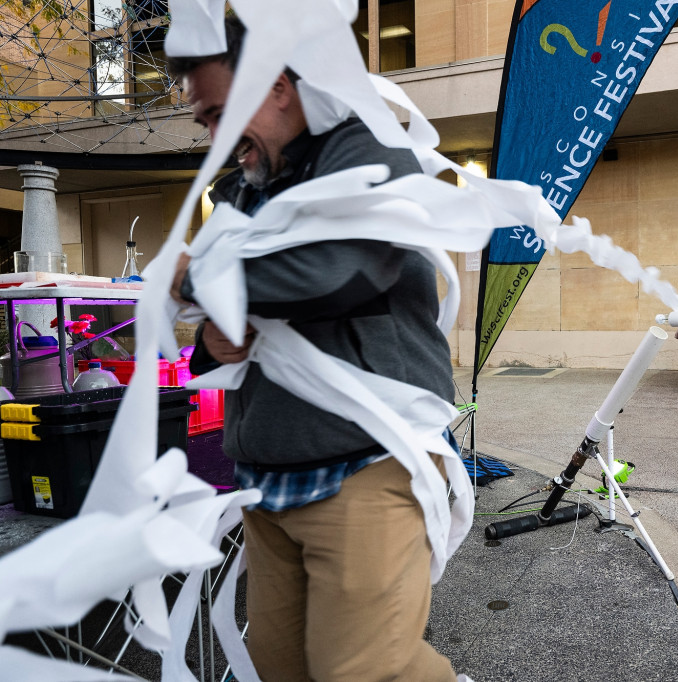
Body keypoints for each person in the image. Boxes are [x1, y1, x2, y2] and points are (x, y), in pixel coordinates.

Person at [167, 17, 459, 681]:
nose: (214, 139)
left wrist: (188, 278)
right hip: (267, 480)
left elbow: (331, 272)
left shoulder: (373, 155)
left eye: (219, 113)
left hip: (365, 469)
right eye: (204, 122)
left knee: (362, 673)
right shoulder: (244, 189)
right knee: (280, 666)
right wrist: (211, 340)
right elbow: (225, 334)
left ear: (275, 87)